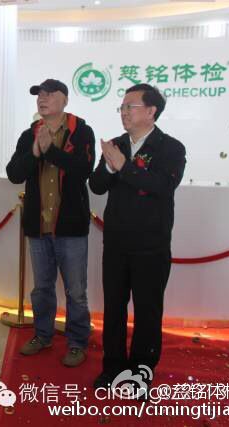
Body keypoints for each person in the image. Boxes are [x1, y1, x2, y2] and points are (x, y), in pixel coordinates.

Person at [89, 84, 186, 390]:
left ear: (151, 111)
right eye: (122, 107)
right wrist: (109, 166)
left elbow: (162, 186)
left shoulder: (171, 148)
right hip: (116, 244)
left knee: (147, 313)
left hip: (151, 246)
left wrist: (123, 166)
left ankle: (140, 374)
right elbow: (96, 186)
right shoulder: (116, 144)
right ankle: (112, 368)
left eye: (130, 106)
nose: (124, 112)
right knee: (114, 309)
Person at [6, 79, 95, 367]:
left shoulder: (81, 131)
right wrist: (35, 151)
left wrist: (51, 151)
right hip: (38, 226)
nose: (42, 99)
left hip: (71, 227)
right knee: (42, 288)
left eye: (49, 94)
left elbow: (84, 170)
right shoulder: (29, 134)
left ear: (64, 100)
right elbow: (14, 174)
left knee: (76, 291)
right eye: (39, 95)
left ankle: (77, 343)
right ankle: (42, 335)